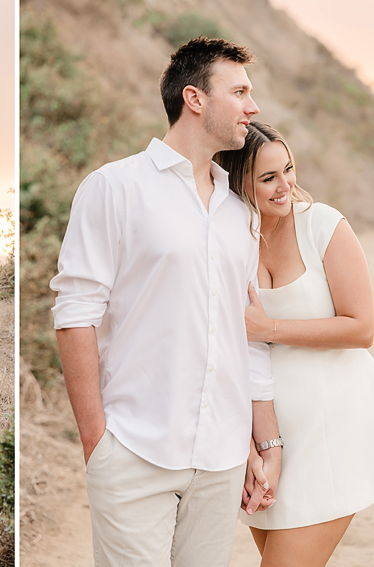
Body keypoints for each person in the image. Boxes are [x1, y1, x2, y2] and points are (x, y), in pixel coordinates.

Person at [50, 37, 283, 567]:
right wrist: (98, 443)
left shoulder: (239, 212)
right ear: (195, 98)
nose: (253, 107)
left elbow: (241, 332)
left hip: (220, 458)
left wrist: (251, 443)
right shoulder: (113, 187)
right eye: (241, 92)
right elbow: (75, 315)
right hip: (134, 448)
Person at [215, 120, 374, 567]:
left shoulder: (322, 225)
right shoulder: (230, 242)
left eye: (288, 169)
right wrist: (252, 441)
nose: (285, 185)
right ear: (237, 183)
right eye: (269, 178)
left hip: (337, 423)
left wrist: (270, 329)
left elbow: (361, 328)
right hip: (272, 437)